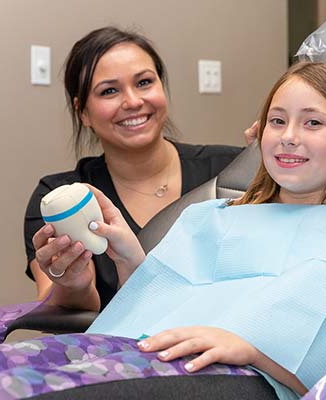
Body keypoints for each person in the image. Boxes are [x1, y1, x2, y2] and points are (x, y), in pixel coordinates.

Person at [0, 62, 326, 399]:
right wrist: (127, 256)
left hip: (226, 374)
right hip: (132, 349)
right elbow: (162, 298)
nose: (288, 136)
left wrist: (253, 349)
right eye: (278, 121)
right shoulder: (216, 214)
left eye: (313, 123)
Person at [25, 27, 252, 312]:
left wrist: (271, 164)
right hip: (121, 353)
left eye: (144, 82)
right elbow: (59, 315)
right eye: (109, 91)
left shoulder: (232, 171)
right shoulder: (62, 200)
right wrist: (73, 285)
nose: (133, 102)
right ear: (83, 112)